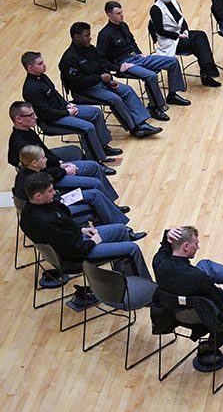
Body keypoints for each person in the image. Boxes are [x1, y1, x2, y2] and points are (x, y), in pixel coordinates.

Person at [19, 172, 151, 280]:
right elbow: (74, 250)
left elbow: (65, 230)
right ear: (38, 196)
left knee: (121, 230)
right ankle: (146, 291)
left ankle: (123, 279)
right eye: (50, 190)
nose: (54, 193)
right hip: (76, 257)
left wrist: (80, 229)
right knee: (132, 248)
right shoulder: (46, 222)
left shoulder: (31, 210)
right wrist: (93, 242)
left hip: (76, 242)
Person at [59, 22, 162, 138]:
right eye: (86, 35)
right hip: (84, 91)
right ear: (76, 38)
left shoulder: (91, 49)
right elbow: (77, 83)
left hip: (101, 83)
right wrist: (100, 78)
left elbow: (102, 64)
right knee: (115, 99)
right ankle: (134, 128)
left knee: (127, 90)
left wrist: (109, 78)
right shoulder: (68, 59)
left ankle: (141, 122)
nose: (90, 38)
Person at [14, 145, 140, 234]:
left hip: (55, 201)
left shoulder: (29, 172)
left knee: (95, 194)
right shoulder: (32, 180)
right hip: (56, 206)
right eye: (43, 158)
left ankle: (116, 224)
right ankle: (116, 229)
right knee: (93, 203)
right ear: (34, 163)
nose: (46, 159)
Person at [21, 51, 121, 162]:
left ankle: (102, 147)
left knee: (95, 112)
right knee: (87, 128)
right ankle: (98, 160)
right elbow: (46, 113)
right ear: (30, 68)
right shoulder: (31, 89)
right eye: (40, 64)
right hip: (50, 121)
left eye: (43, 62)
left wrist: (67, 105)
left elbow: (55, 94)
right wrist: (68, 113)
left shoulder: (42, 77)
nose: (44, 65)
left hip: (62, 111)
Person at [97, 1, 189, 121]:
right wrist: (118, 67)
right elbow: (100, 59)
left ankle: (172, 95)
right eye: (118, 13)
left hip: (136, 57)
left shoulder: (123, 25)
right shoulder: (104, 34)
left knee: (172, 61)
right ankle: (155, 107)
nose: (122, 15)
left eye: (121, 12)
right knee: (150, 76)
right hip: (124, 62)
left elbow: (132, 41)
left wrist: (139, 52)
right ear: (109, 15)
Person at [8, 101, 120, 201]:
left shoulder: (27, 132)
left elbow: (46, 153)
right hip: (50, 181)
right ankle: (107, 209)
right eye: (31, 115)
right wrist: (64, 171)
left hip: (54, 169)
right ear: (19, 119)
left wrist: (61, 164)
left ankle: (110, 204)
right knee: (95, 183)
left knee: (94, 166)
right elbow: (42, 175)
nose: (36, 117)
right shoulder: (22, 144)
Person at [150, 0, 222, 87]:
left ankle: (206, 71)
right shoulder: (155, 9)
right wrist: (178, 36)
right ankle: (207, 72)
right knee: (198, 42)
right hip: (170, 40)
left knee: (200, 36)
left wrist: (185, 30)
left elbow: (181, 19)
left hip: (181, 35)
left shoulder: (174, 2)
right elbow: (160, 31)